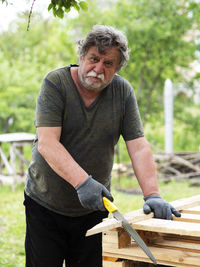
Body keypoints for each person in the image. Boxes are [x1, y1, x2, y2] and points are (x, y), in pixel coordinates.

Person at [24, 25, 181, 267]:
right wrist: (83, 182)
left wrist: (152, 193)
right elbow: (47, 143)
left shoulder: (122, 92)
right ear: (81, 56)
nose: (98, 69)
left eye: (108, 64)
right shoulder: (56, 83)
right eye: (94, 59)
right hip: (46, 204)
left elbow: (137, 145)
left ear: (117, 68)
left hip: (95, 207)